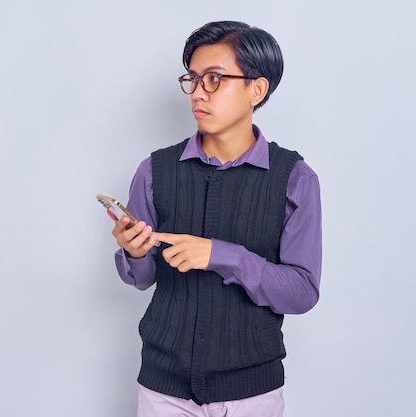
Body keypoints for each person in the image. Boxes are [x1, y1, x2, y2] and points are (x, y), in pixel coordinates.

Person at [108, 20, 322, 417]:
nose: (197, 94)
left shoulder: (295, 179)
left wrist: (222, 255)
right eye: (193, 79)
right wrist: (134, 253)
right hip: (163, 388)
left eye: (214, 79)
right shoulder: (155, 170)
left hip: (253, 391)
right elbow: (139, 279)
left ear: (256, 89)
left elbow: (302, 291)